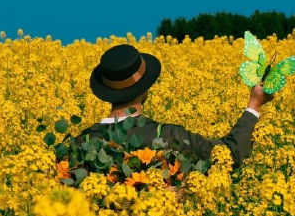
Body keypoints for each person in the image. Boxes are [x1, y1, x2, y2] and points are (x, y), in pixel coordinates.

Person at [75, 43, 274, 168]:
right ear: (145, 87)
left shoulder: (79, 143)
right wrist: (255, 104)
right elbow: (228, 154)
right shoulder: (169, 136)